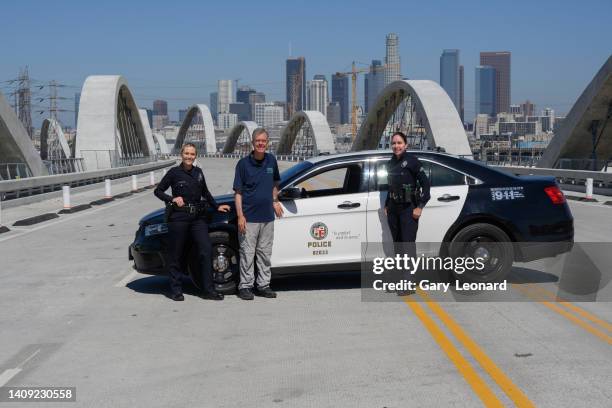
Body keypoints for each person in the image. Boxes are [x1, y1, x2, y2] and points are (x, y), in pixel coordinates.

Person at [154, 143, 230, 301]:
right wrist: (172, 199)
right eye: (186, 153)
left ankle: (208, 290)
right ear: (181, 155)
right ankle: (176, 290)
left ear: (195, 156)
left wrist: (217, 207)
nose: (189, 157)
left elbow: (206, 193)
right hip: (179, 218)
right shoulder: (174, 173)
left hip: (197, 219)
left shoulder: (199, 172)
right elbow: (158, 191)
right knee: (176, 254)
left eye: (192, 154)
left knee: (206, 250)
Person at [233, 128, 283, 300]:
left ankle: (263, 285)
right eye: (258, 141)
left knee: (264, 253)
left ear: (267, 142)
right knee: (247, 253)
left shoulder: (271, 160)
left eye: (264, 141)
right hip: (249, 218)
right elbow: (238, 192)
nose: (261, 144)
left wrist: (275, 200)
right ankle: (245, 286)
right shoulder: (243, 164)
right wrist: (240, 215)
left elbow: (276, 182)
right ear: (252, 143)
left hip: (267, 217)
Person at [384, 132, 431, 294]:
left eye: (399, 143)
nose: (396, 146)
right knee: (397, 245)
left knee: (408, 246)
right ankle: (399, 279)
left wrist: (420, 206)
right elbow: (390, 186)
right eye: (394, 143)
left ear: (406, 145)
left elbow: (426, 184)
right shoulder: (390, 163)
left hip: (408, 208)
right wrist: (386, 205)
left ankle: (409, 282)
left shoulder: (412, 162)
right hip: (393, 209)